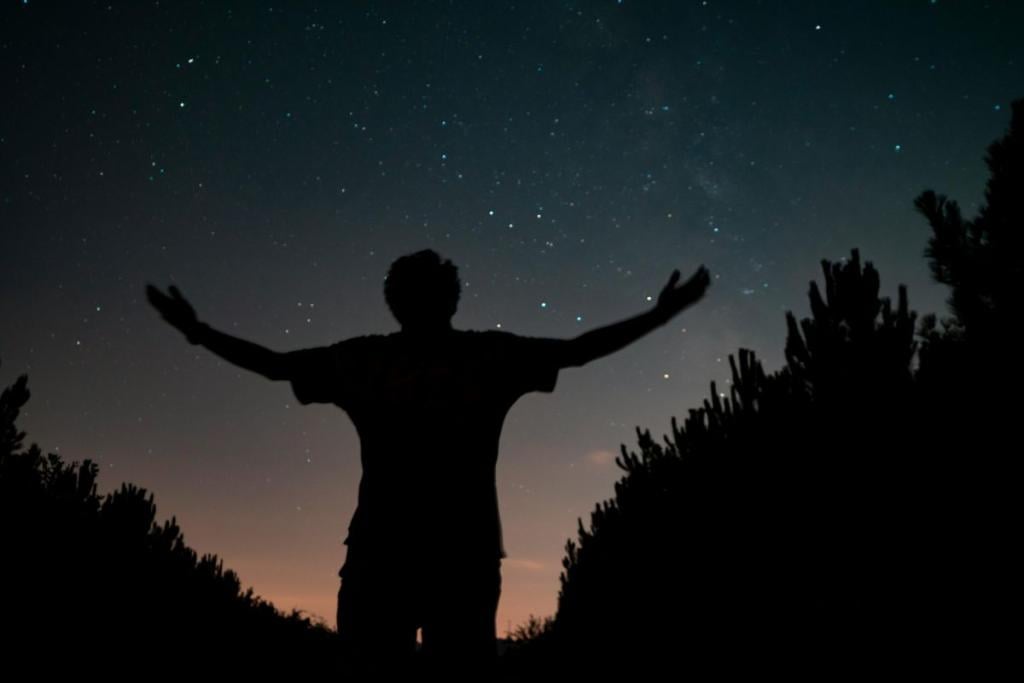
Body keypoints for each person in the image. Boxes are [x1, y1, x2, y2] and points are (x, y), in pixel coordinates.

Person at [147, 249, 710, 678]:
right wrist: (658, 317)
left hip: (386, 555)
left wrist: (198, 333)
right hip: (455, 557)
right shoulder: (487, 357)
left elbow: (272, 365)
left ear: (396, 302)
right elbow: (578, 350)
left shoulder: (365, 360)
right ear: (452, 298)